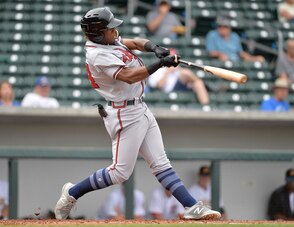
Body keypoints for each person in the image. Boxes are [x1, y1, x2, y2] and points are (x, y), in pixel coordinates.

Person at [54, 7, 221, 221]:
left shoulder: (108, 41)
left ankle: (192, 207)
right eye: (110, 29)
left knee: (161, 163)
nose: (115, 31)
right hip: (123, 113)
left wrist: (155, 48)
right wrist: (161, 64)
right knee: (119, 173)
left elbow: (134, 43)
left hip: (139, 107)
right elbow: (130, 76)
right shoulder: (98, 54)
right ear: (97, 33)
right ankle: (71, 193)